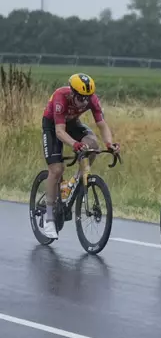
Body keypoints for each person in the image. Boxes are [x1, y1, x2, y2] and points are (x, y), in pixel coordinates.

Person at [41, 73, 120, 239]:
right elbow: (60, 132)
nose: (84, 102)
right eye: (81, 98)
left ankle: (74, 181)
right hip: (53, 126)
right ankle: (48, 217)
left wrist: (109, 144)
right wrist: (75, 144)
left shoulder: (91, 99)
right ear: (72, 93)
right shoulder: (61, 97)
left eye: (87, 98)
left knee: (92, 146)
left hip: (72, 123)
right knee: (56, 170)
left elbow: (102, 124)